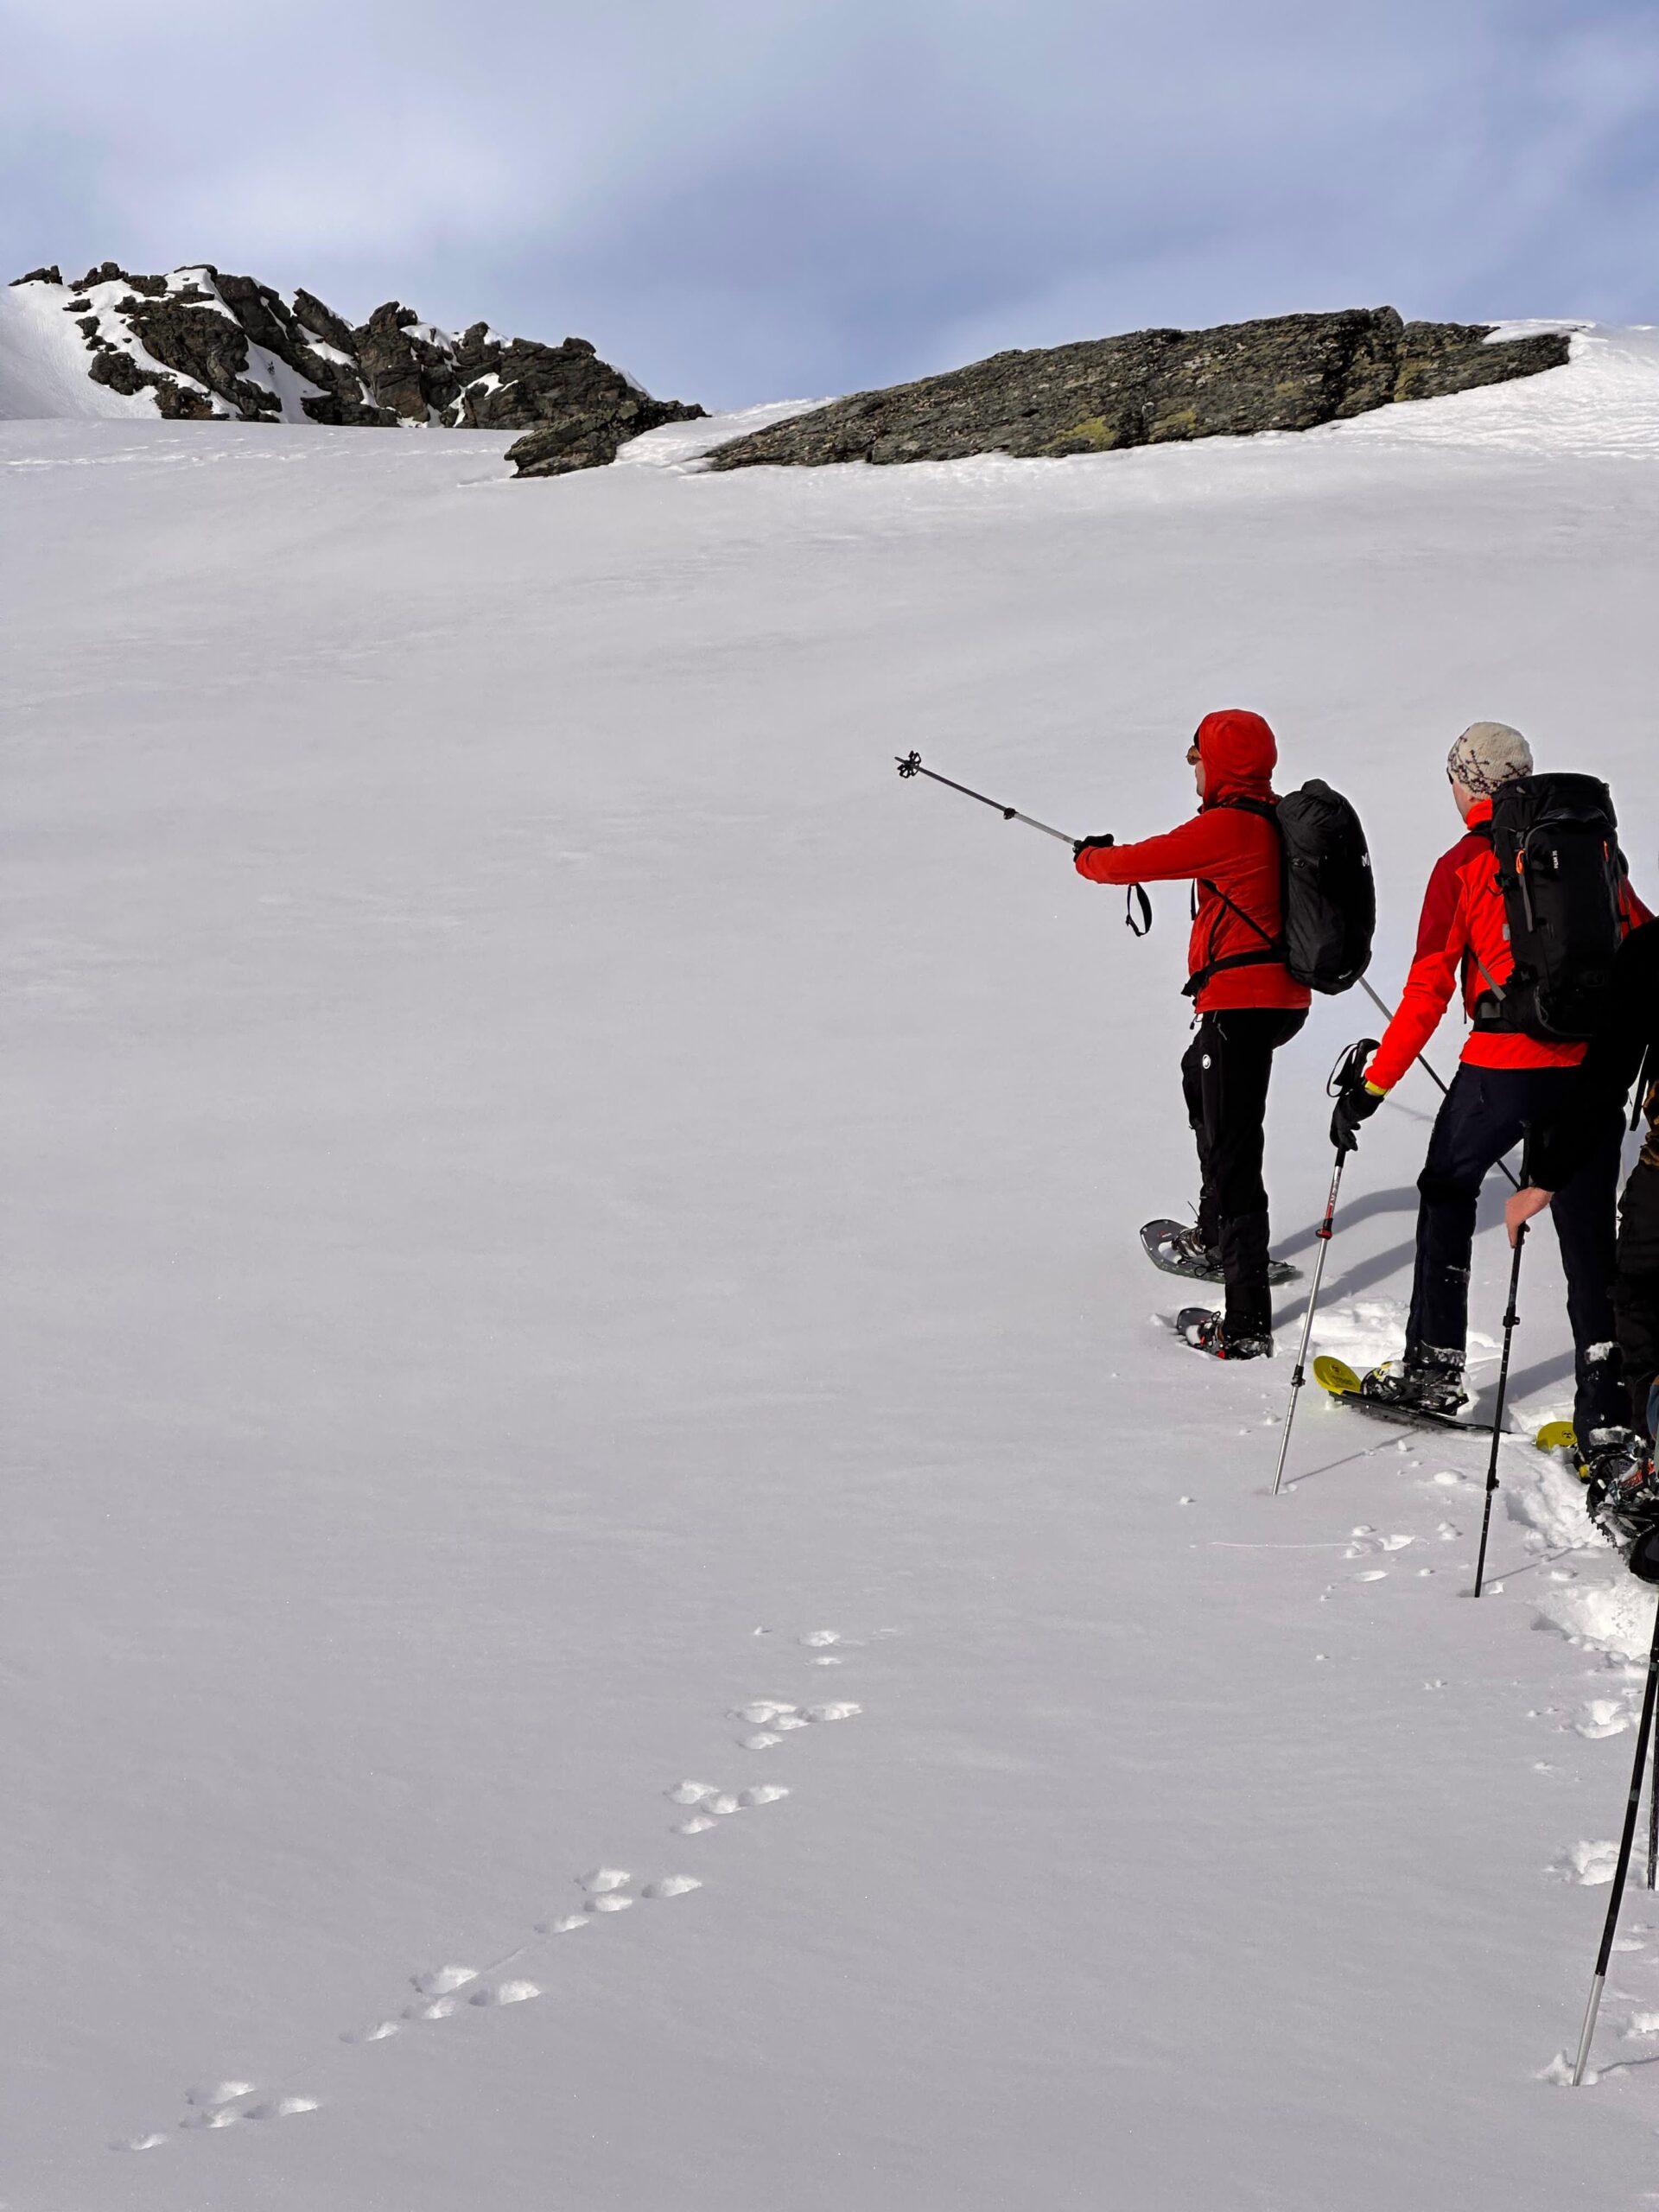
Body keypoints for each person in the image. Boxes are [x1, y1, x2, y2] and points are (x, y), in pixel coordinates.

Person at [1328, 722, 1649, 1473]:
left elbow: (1427, 989)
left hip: (1501, 1066)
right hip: (1592, 1071)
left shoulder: (1463, 863)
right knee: (1589, 1235)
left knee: (1446, 1188)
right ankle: (1606, 1416)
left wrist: (1373, 1087)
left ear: (1469, 784)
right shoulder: (1597, 854)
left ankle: (1435, 1365)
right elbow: (1641, 944)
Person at [1075, 708, 1307, 1359]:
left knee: (1235, 1147)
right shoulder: (1276, 819)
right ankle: (1215, 1234)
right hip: (1281, 1000)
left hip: (1242, 1002)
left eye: (1196, 757)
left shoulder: (1229, 827)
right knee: (1197, 1081)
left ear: (1222, 763)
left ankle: (1246, 1320)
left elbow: (1139, 863)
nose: (1194, 769)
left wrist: (1091, 859)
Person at [1505, 912, 1659, 1503]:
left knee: (1643, 1305)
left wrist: (1544, 1179)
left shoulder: (1650, 950)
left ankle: (1648, 1464)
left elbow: (1605, 1077)